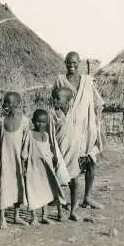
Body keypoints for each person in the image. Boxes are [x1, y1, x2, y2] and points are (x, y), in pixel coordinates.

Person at [50, 51, 105, 221]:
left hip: (85, 127)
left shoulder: (87, 81)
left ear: (79, 63)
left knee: (91, 162)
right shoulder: (60, 80)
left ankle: (86, 197)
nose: (71, 66)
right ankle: (61, 198)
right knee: (64, 164)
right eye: (68, 63)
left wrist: (96, 124)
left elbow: (98, 102)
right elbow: (54, 101)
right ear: (65, 62)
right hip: (67, 129)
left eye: (74, 63)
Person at [25, 109, 70, 226]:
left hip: (46, 169)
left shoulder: (46, 135)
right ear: (33, 121)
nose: (41, 124)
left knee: (46, 191)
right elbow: (24, 151)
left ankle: (44, 215)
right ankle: (34, 217)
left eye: (44, 122)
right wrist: (24, 165)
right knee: (33, 192)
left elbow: (49, 151)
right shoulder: (29, 135)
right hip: (33, 168)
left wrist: (54, 160)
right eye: (38, 121)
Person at [0, 91, 30, 229]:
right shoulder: (1, 121)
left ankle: (16, 215)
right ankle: (2, 218)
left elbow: (26, 141)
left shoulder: (25, 122)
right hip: (5, 160)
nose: (4, 104)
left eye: (7, 102)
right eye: (4, 101)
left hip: (18, 160)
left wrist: (24, 159)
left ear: (17, 104)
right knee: (4, 187)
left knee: (19, 186)